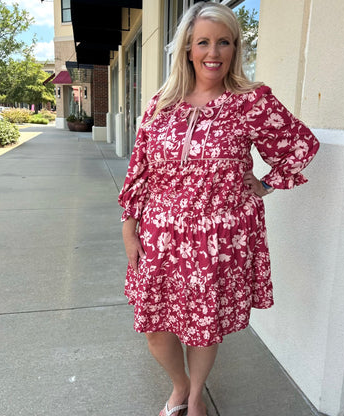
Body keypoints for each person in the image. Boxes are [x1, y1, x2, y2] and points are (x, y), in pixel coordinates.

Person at [118, 2, 319, 415]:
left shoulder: (251, 101)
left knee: (203, 328)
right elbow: (139, 170)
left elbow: (301, 146)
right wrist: (129, 224)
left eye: (224, 42)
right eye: (203, 42)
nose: (214, 52)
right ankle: (179, 385)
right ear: (188, 49)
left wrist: (264, 185)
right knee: (156, 327)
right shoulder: (161, 104)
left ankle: (194, 399)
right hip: (161, 230)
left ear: (235, 48)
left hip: (217, 236)